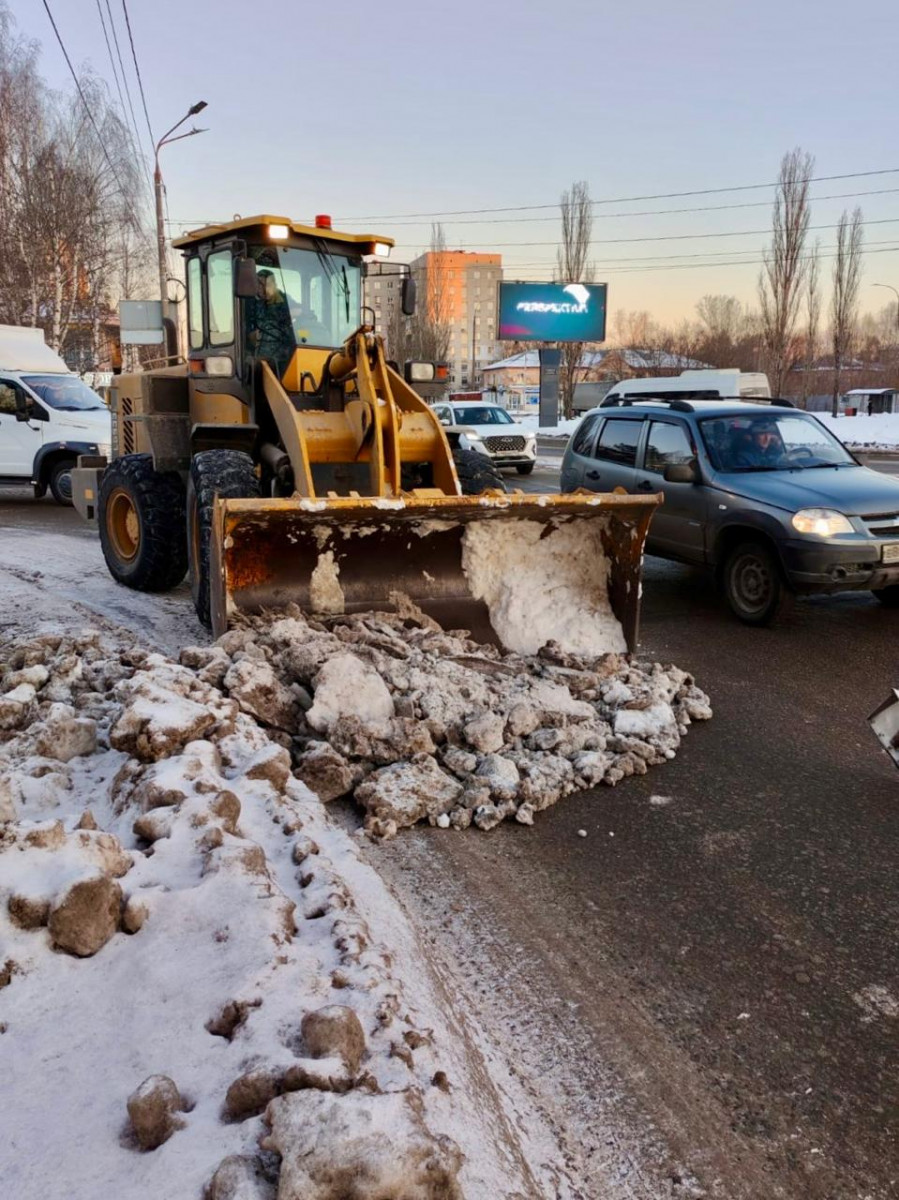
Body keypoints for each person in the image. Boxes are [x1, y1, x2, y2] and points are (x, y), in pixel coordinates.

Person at [247, 269, 295, 375]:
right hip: (259, 359)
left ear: (274, 285)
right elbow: (243, 327)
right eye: (259, 284)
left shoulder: (284, 300)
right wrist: (250, 335)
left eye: (267, 284)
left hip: (283, 357)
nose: (264, 289)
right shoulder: (249, 302)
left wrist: (295, 314)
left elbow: (303, 314)